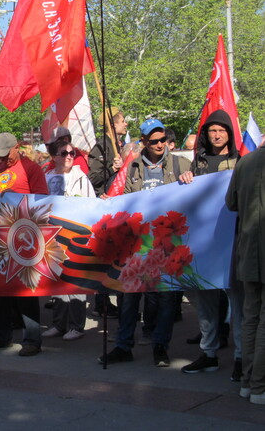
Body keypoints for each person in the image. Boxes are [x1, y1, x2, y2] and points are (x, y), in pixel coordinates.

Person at [98, 119, 190, 368]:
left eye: (163, 140)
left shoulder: (180, 163)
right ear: (144, 141)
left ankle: (160, 347)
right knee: (129, 297)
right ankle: (123, 346)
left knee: (165, 299)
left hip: (167, 243)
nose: (160, 144)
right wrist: (109, 201)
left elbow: (196, 194)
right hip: (138, 243)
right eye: (154, 141)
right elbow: (124, 199)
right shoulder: (133, 166)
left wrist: (190, 178)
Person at [179, 109, 240, 374]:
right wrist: (185, 180)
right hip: (204, 242)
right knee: (205, 301)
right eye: (212, 130)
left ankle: (241, 358)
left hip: (233, 242)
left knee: (238, 302)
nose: (216, 135)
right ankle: (209, 353)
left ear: (229, 134)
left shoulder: (240, 163)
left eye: (221, 130)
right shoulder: (198, 164)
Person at [0, 132, 49, 357]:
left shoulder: (31, 169)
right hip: (0, 237)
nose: (3, 159)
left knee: (26, 289)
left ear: (16, 147)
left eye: (6, 154)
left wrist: (17, 200)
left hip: (24, 237)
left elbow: (42, 200)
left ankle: (32, 340)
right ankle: (1, 335)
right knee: (0, 289)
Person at [226, 142, 265, 405]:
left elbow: (231, 203)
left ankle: (248, 383)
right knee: (261, 320)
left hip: (249, 248)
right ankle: (259, 386)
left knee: (251, 316)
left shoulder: (245, 162)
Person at [42, 140, 94, 341]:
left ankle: (76, 326)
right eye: (64, 153)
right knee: (58, 280)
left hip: (75, 235)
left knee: (75, 280)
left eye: (72, 153)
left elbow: (92, 205)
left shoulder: (81, 178)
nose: (69, 157)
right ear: (54, 157)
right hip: (53, 236)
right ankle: (58, 324)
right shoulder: (46, 177)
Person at [87, 107, 127, 318]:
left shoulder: (118, 145)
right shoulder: (102, 146)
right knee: (105, 259)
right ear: (112, 124)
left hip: (119, 207)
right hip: (105, 206)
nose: (125, 124)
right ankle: (101, 303)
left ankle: (119, 301)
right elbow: (93, 177)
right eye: (122, 121)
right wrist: (112, 169)